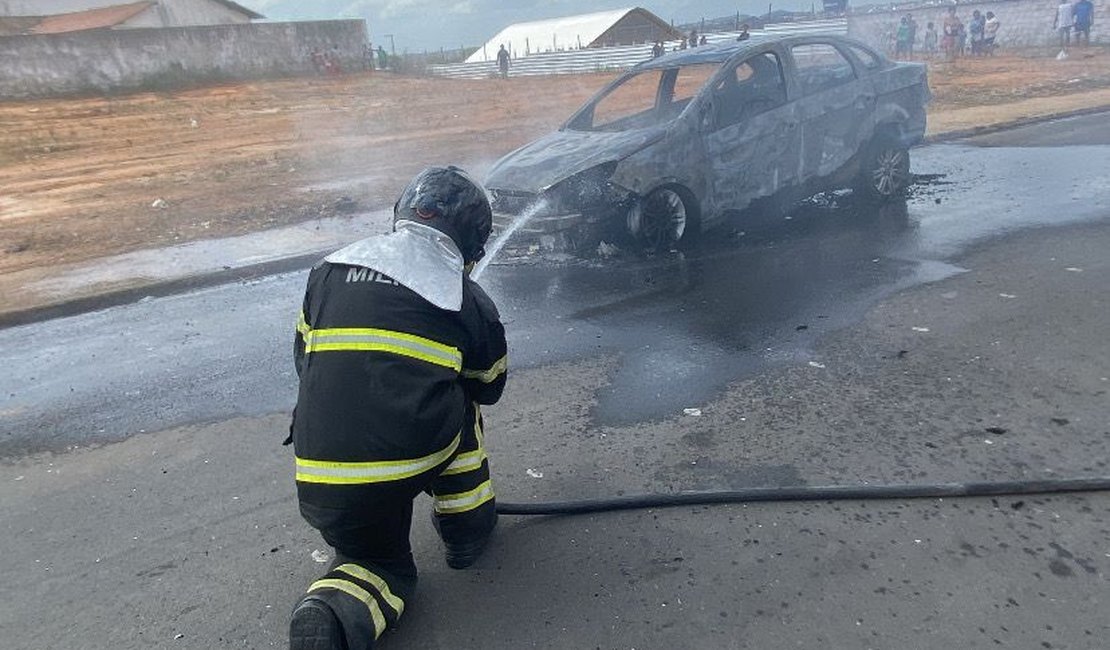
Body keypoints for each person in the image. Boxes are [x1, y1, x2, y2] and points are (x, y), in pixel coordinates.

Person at [287, 166, 508, 650]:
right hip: (408, 457)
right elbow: (489, 384)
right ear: (471, 242)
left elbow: (304, 360)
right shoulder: (464, 295)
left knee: (374, 560)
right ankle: (467, 528)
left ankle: (330, 613)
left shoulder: (329, 269)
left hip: (320, 473)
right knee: (461, 400)